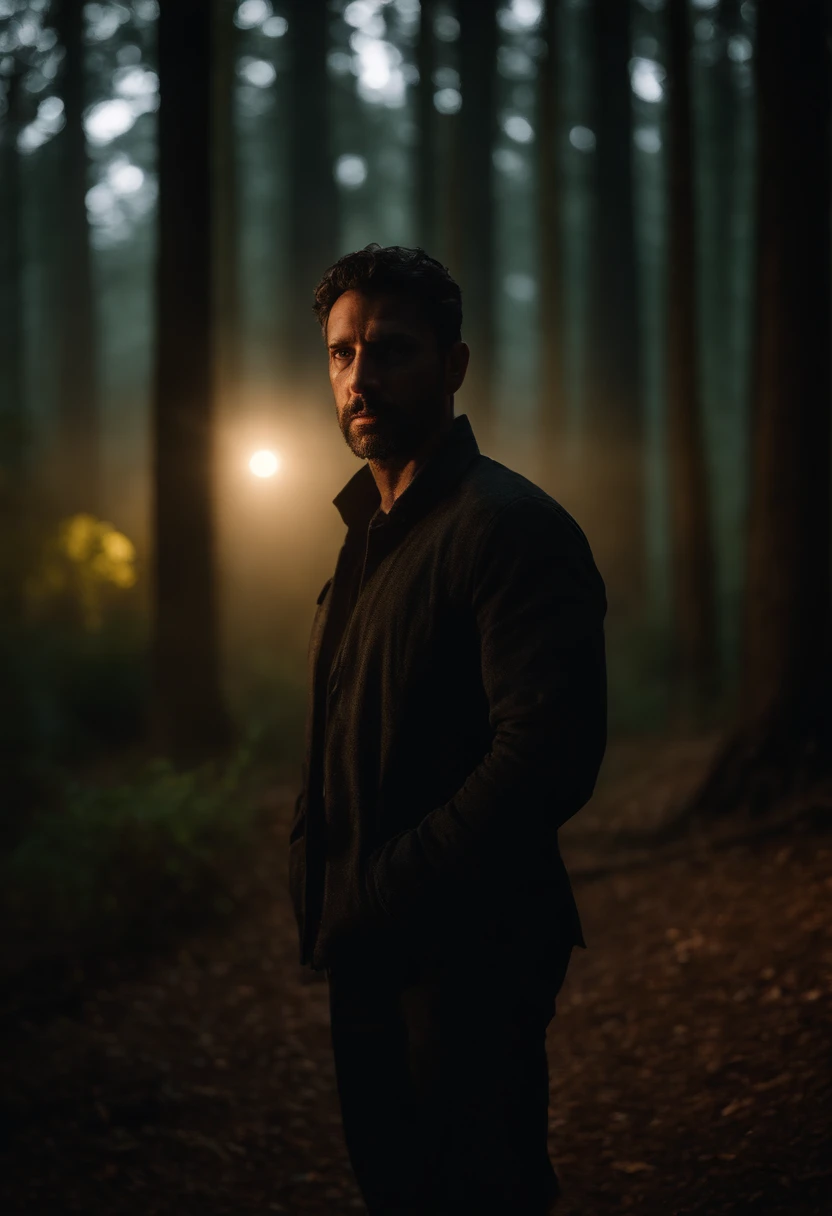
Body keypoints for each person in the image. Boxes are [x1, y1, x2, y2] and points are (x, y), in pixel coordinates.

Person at [288, 244, 607, 1215]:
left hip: (471, 952)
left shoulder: (507, 527)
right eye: (342, 354)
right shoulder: (367, 535)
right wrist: (319, 863)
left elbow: (545, 755)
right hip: (370, 949)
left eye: (389, 350)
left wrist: (387, 882)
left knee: (478, 1191)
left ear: (454, 365)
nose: (360, 377)